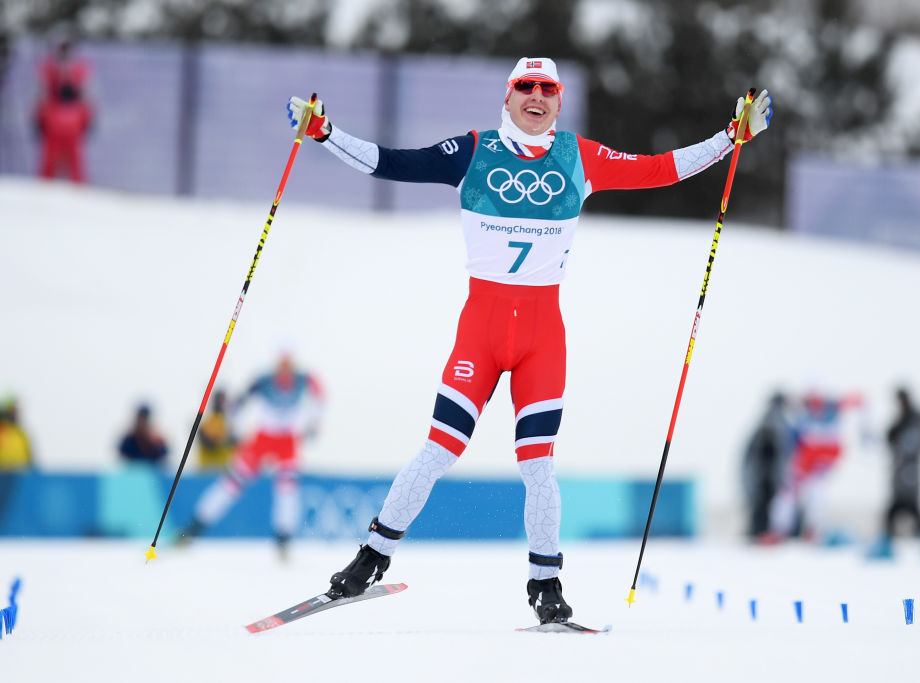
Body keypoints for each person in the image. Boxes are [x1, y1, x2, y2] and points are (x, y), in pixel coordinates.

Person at [286, 57, 772, 623]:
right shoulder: (474, 150)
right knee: (438, 449)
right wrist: (324, 132)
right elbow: (392, 163)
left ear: (559, 101)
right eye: (525, 87)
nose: (536, 97)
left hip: (543, 338)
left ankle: (546, 585)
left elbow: (660, 169)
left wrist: (731, 136)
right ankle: (372, 557)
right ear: (509, 95)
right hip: (481, 334)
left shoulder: (579, 157)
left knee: (538, 465)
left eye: (548, 89)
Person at [178, 350, 324, 558]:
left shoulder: (303, 379)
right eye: (281, 362)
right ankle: (194, 527)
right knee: (232, 482)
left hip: (287, 441)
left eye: (288, 363)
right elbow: (241, 401)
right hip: (263, 438)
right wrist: (233, 426)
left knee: (287, 489)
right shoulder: (264, 379)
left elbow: (320, 399)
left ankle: (283, 539)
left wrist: (314, 425)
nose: (284, 368)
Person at [767, 387, 863, 542]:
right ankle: (778, 531)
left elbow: (856, 400)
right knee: (786, 495)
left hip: (817, 468)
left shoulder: (830, 412)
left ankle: (813, 531)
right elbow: (793, 442)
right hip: (801, 465)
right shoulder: (799, 417)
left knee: (816, 493)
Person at [34, 37, 92, 183]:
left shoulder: (80, 69)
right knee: (50, 160)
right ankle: (43, 195)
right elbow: (41, 93)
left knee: (75, 161)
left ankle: (78, 193)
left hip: (73, 116)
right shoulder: (48, 68)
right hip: (53, 115)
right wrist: (38, 117)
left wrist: (87, 118)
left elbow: (87, 95)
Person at [741, 392, 792, 539]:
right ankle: (764, 533)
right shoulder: (775, 424)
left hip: (762, 479)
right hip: (766, 479)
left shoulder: (765, 423)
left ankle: (762, 532)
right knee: (767, 506)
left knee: (766, 507)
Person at [883, 387, 920, 537]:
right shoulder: (901, 420)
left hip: (909, 473)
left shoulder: (912, 421)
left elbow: (911, 446)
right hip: (901, 473)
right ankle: (891, 532)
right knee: (898, 508)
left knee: (909, 506)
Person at [197, 389, 237, 470]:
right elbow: (207, 443)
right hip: (208, 468)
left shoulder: (226, 421)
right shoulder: (209, 421)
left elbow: (232, 443)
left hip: (223, 467)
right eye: (222, 401)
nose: (224, 404)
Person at [0, 396, 34, 471]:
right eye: (12, 410)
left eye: (16, 410)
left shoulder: (21, 433)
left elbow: (30, 458)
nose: (14, 413)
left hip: (19, 477)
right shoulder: (2, 430)